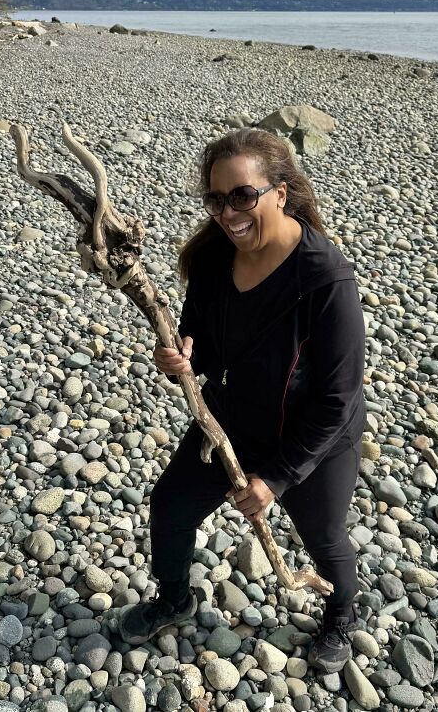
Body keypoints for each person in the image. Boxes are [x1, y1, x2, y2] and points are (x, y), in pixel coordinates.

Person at [116, 128, 367, 674]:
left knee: (324, 536)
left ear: (280, 191)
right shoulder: (213, 259)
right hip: (231, 421)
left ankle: (342, 613)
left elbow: (339, 399)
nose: (228, 213)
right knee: (171, 507)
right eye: (216, 199)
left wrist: (275, 479)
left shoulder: (325, 279)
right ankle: (175, 598)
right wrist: (184, 358)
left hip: (312, 438)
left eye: (241, 195)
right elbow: (199, 341)